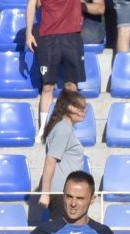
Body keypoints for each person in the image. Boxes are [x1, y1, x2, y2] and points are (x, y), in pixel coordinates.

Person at [26, 0, 86, 136]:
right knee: (47, 86)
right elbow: (31, 4)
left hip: (72, 36)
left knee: (72, 85)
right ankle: (43, 129)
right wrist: (28, 33)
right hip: (48, 37)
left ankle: (71, 128)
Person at [39, 90, 87, 220]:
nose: (85, 111)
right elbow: (50, 160)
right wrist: (45, 193)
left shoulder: (64, 127)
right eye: (82, 107)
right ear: (70, 107)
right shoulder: (63, 129)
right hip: (62, 193)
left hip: (66, 192)